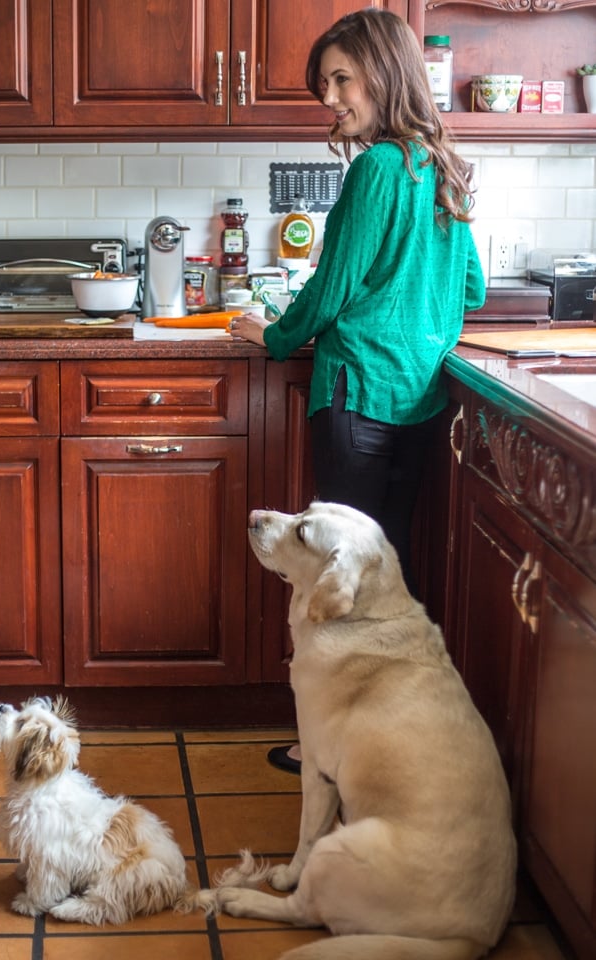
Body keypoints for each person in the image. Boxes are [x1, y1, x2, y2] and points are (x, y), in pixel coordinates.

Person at [229, 8, 486, 775]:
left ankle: (329, 744)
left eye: (341, 79)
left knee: (337, 578)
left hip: (357, 395)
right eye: (324, 85)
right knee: (388, 577)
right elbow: (468, 286)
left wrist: (270, 335)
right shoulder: (438, 164)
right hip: (419, 404)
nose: (331, 98)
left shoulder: (377, 167)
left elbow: (332, 289)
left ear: (384, 73)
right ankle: (384, 738)